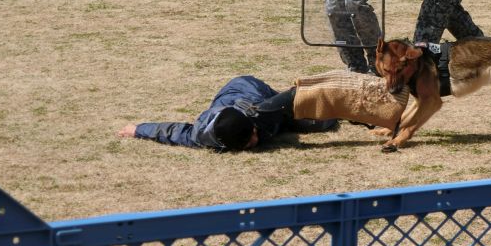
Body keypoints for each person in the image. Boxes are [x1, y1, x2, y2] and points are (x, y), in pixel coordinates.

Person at [117, 76, 337, 151]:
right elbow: (172, 131)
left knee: (322, 121)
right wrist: (137, 130)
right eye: (249, 141)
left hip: (251, 88)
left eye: (253, 134)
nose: (255, 140)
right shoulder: (202, 136)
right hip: (230, 99)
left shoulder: (262, 112)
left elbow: (294, 95)